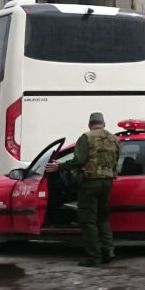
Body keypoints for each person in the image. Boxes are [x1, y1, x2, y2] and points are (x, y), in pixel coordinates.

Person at [45, 112, 120, 267]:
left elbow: (79, 160)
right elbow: (115, 161)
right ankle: (108, 251)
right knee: (103, 218)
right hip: (107, 182)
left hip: (90, 183)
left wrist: (60, 167)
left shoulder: (86, 137)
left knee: (88, 220)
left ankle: (94, 257)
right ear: (104, 124)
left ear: (89, 125)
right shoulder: (114, 139)